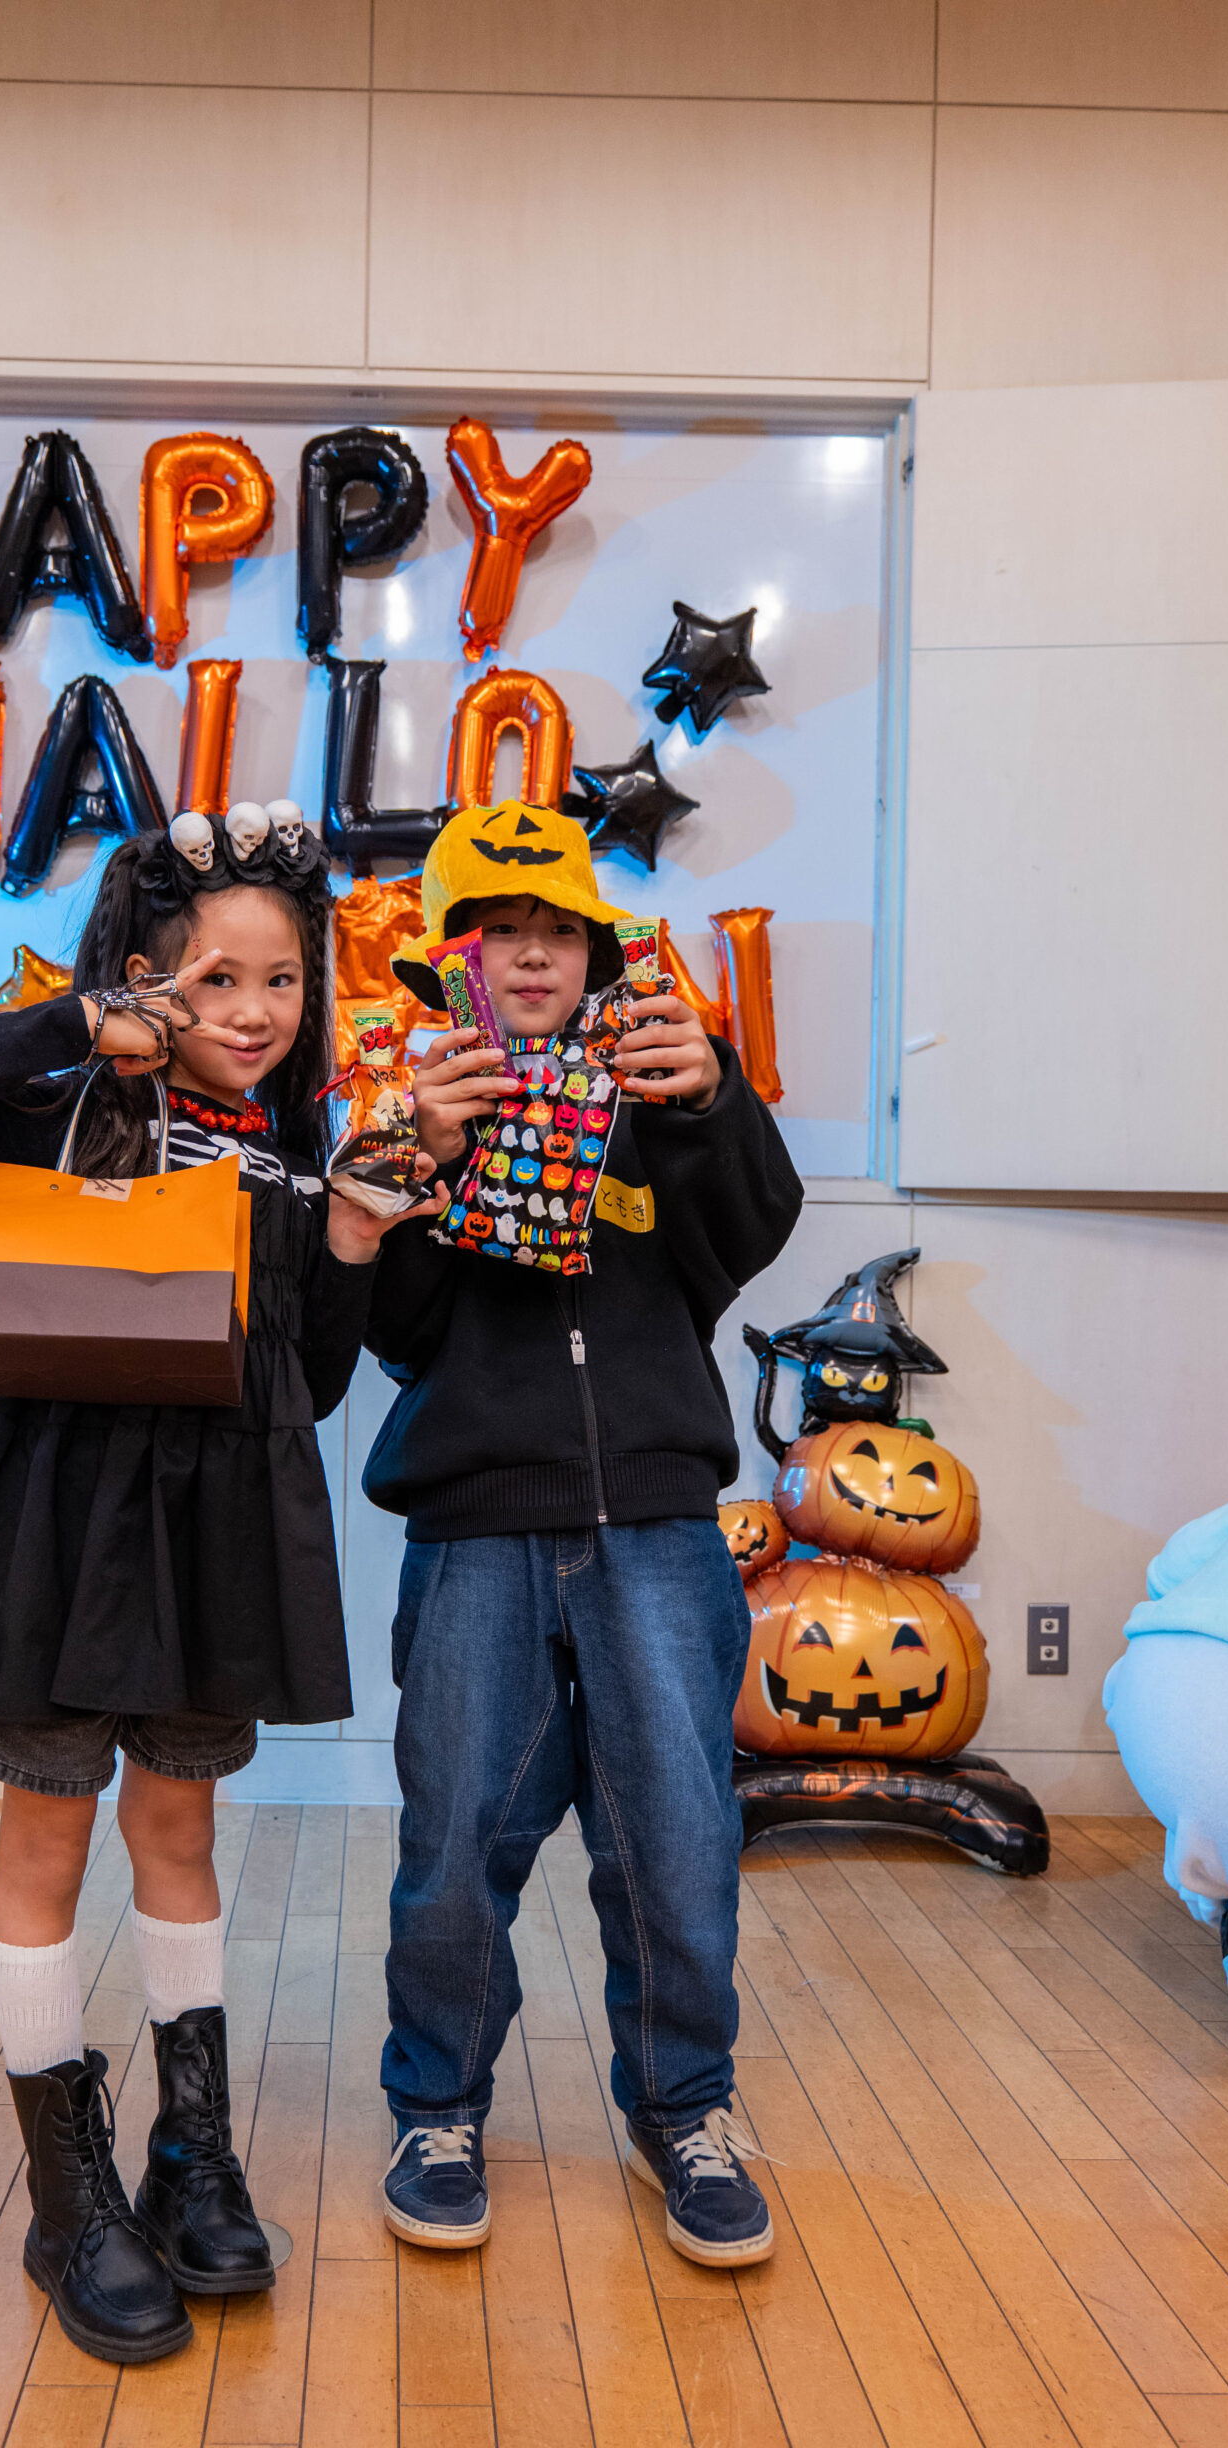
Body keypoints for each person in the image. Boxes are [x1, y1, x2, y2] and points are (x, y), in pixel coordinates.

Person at [0, 810, 435, 2363]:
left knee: (178, 1831)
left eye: (282, 982)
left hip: (218, 1529)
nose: (253, 1012)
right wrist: (80, 1023)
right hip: (57, 1521)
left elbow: (309, 1386)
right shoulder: (75, 1110)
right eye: (216, 979)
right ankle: (68, 2200)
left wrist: (355, 1239)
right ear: (147, 975)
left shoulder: (304, 1158)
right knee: (46, 1835)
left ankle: (192, 2156)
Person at [363, 800, 804, 2267]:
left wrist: (714, 1101)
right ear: (452, 961)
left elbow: (749, 1236)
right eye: (500, 931)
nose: (534, 955)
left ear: (598, 954)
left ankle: (687, 2109)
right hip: (476, 1526)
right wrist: (421, 1162)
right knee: (453, 1845)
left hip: (660, 1527)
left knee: (677, 1840)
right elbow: (391, 1330)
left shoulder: (659, 1096)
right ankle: (436, 2110)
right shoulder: (407, 1109)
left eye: (559, 929)